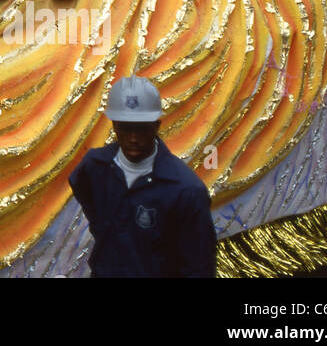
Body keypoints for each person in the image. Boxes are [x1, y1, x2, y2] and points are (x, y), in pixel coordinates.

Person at [68, 75, 216, 278]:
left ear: (156, 126)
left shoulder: (186, 191)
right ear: (114, 126)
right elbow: (85, 193)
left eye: (141, 129)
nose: (133, 139)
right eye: (125, 129)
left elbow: (199, 268)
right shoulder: (95, 166)